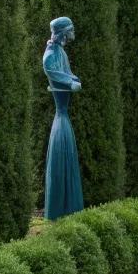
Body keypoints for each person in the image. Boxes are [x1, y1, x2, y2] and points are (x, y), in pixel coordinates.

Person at [42, 16, 84, 220]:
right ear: (63, 32)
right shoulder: (50, 56)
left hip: (64, 117)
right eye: (71, 30)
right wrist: (71, 81)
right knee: (61, 161)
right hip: (61, 115)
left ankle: (69, 208)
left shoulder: (61, 52)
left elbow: (68, 73)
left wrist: (72, 78)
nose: (73, 33)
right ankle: (59, 210)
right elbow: (58, 75)